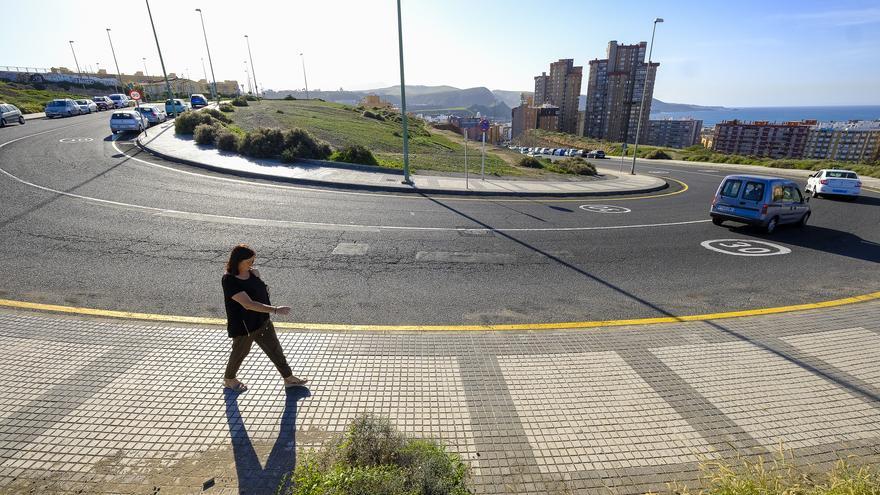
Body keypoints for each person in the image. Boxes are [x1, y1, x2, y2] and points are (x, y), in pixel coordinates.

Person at [221, 244, 308, 392]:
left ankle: (288, 378)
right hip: (245, 327)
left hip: (262, 321)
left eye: (253, 261)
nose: (251, 264)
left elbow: (262, 291)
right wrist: (274, 309)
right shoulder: (229, 280)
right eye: (248, 261)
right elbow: (248, 304)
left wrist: (258, 278)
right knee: (240, 353)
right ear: (238, 261)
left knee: (275, 350)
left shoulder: (253, 273)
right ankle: (229, 379)